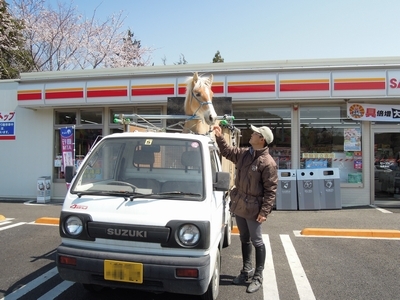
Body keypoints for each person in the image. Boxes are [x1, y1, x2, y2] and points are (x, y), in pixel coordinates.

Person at [212, 124, 278, 294]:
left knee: (257, 241)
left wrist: (264, 212)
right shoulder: (245, 154)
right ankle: (246, 271)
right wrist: (219, 136)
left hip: (254, 208)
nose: (251, 134)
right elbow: (227, 151)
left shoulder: (268, 163)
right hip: (240, 203)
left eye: (255, 133)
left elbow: (271, 190)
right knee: (244, 238)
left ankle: (258, 276)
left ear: (261, 139)